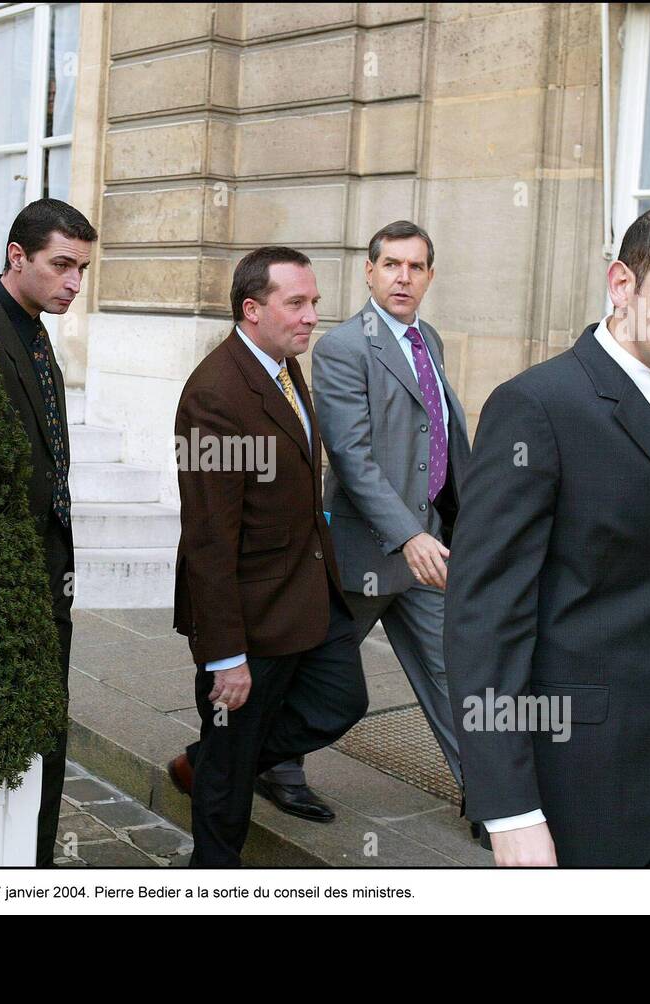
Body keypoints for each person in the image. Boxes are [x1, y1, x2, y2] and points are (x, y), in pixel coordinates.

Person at [445, 202, 650, 867]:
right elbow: (485, 618)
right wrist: (508, 805)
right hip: (577, 779)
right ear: (622, 286)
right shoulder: (537, 406)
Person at [257, 221, 472, 825]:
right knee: (317, 667)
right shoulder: (345, 347)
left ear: (429, 276)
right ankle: (271, 765)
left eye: (416, 266)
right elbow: (351, 457)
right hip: (370, 552)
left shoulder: (429, 339)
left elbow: (444, 441)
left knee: (452, 670)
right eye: (392, 265)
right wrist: (407, 533)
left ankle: (486, 794)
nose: (404, 277)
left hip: (430, 550)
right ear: (370, 272)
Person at [168, 245, 369, 867]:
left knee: (342, 700)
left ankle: (211, 760)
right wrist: (226, 656)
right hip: (249, 614)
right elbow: (207, 539)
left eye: (315, 303)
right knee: (229, 785)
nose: (313, 316)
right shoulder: (214, 396)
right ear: (251, 309)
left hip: (308, 593)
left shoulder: (281, 365)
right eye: (298, 303)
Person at [0, 198, 97, 866]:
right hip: (2, 580)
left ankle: (36, 863)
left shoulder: (36, 324)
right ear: (17, 257)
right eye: (62, 265)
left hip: (47, 573)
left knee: (48, 729)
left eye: (81, 268)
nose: (74, 282)